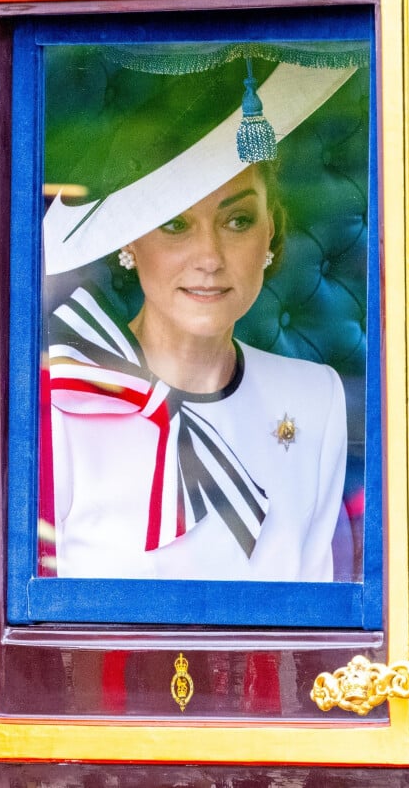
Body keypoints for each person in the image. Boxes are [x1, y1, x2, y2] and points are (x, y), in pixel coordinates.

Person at [42, 54, 351, 583]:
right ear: (130, 243)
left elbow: (320, 629)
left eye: (237, 220)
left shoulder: (316, 399)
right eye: (175, 224)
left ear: (271, 234)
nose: (209, 257)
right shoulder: (63, 396)